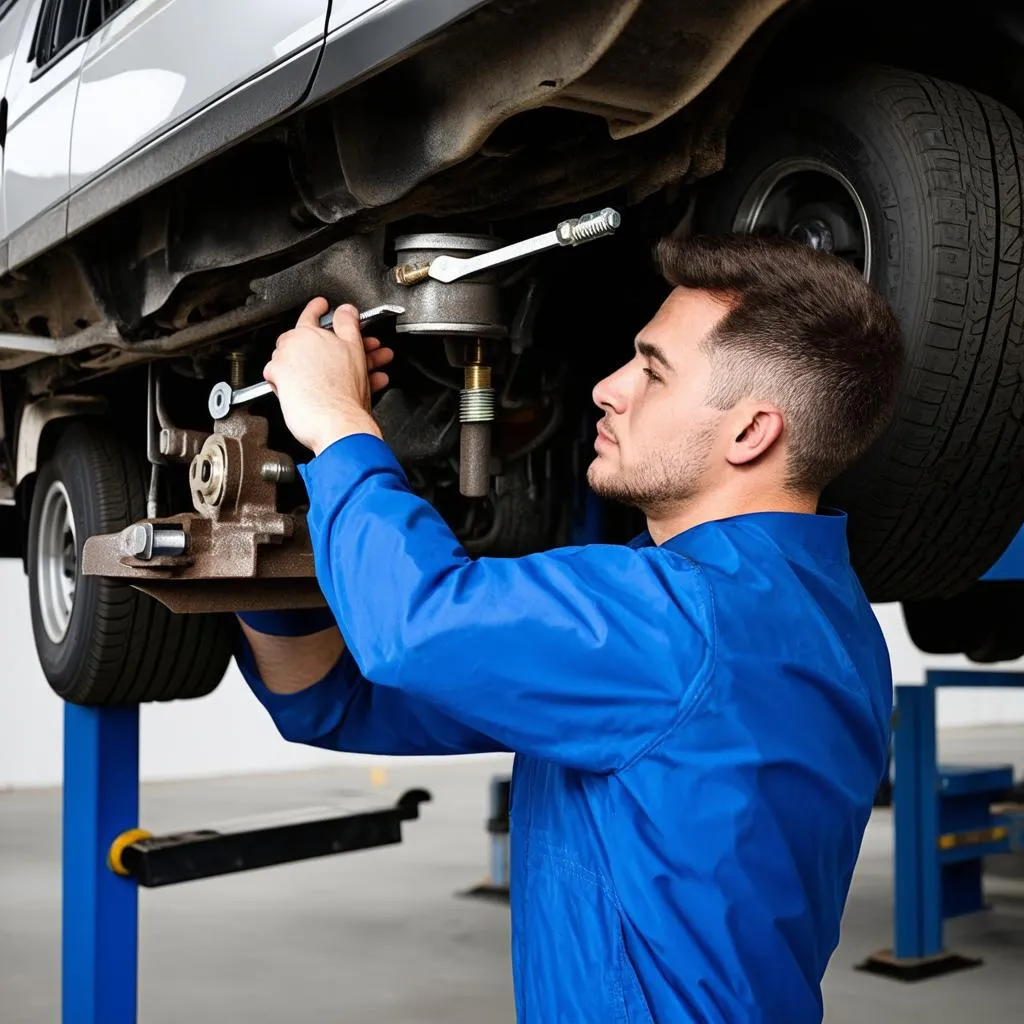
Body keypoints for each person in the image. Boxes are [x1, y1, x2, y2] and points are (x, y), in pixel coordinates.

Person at [235, 233, 904, 1023]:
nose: (608, 388)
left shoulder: (681, 624)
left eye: (653, 370)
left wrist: (338, 428)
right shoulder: (817, 616)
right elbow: (335, 700)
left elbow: (411, 628)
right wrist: (290, 500)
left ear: (751, 433)